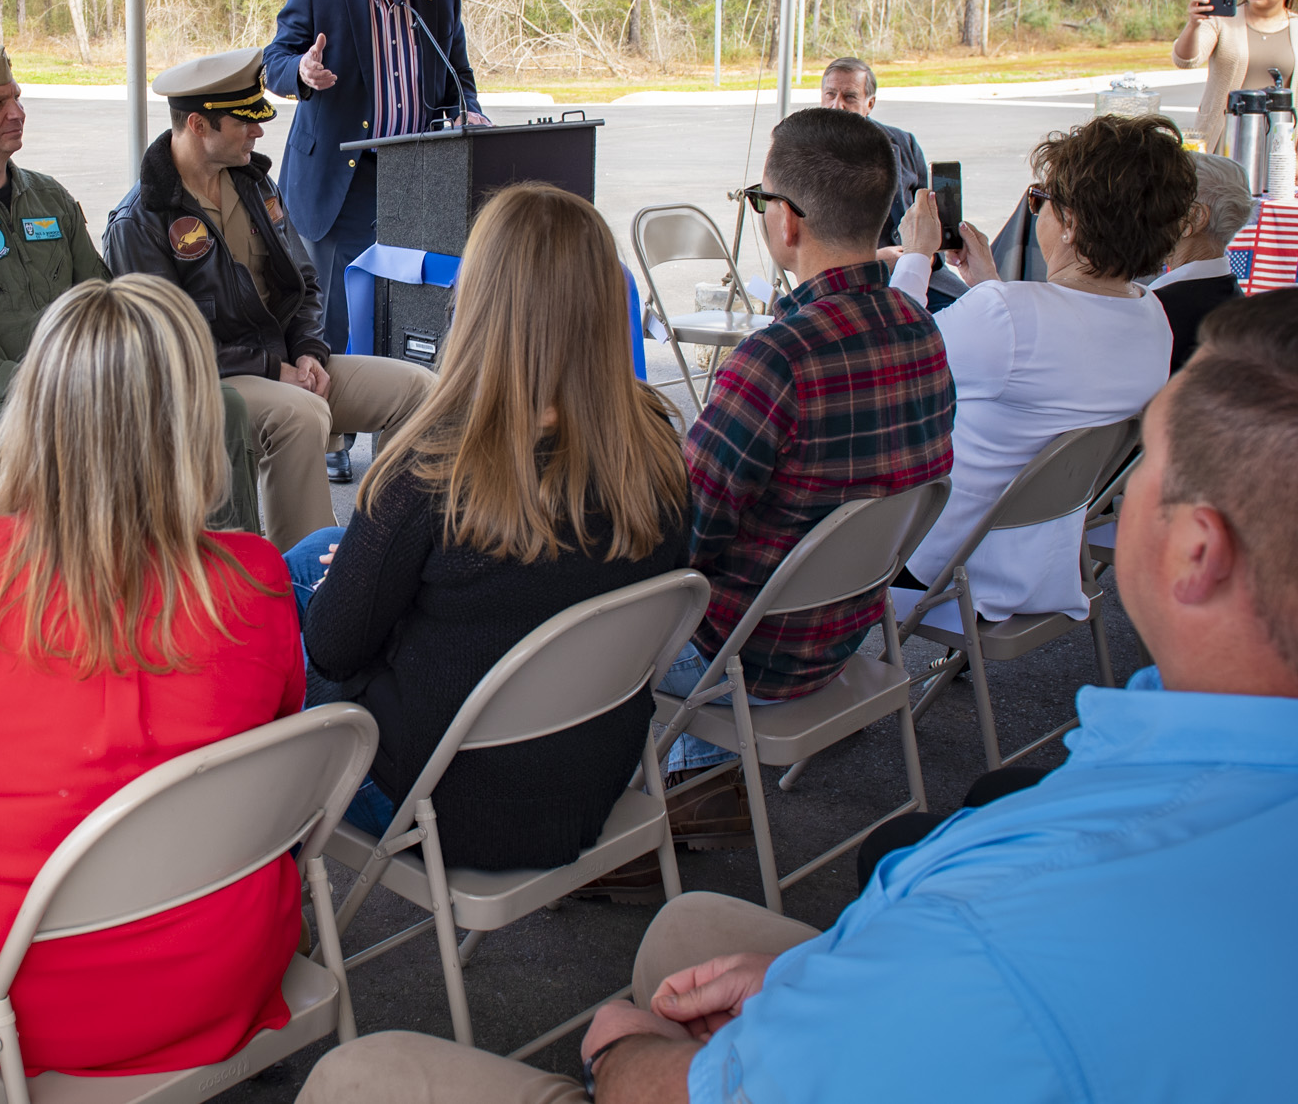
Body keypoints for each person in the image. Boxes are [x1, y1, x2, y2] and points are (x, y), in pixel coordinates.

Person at [290, 288, 1298, 1104]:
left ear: (1197, 551)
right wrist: (823, 972)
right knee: (692, 936)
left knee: (362, 1076)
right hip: (747, 708)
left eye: (1146, 466)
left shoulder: (1006, 927)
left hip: (604, 778)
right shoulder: (661, 442)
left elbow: (694, 1086)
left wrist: (624, 1056)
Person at [0, 275, 302, 1078]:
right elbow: (274, 761)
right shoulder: (257, 579)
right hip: (224, 970)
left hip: (15, 1009)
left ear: (35, 408)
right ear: (194, 419)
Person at [292, 184, 690, 884]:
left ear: (478, 302)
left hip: (442, 805)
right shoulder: (654, 446)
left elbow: (331, 649)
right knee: (300, 561)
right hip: (590, 777)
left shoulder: (432, 469)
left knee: (269, 634)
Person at [666, 108, 955, 828]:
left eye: (761, 201)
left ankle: (684, 783)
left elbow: (676, 541)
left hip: (742, 660)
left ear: (786, 221)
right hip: (849, 633)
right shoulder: (922, 328)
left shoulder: (778, 359)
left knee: (555, 601)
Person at [0, 35, 262, 532]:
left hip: (83, 386)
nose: (18, 112)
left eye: (16, 96)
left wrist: (130, 369)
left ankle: (232, 573)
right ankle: (133, 585)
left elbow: (104, 298)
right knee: (109, 429)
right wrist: (65, 390)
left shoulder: (47, 197)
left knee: (216, 405)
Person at [103, 50, 435, 547]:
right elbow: (163, 347)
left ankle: (387, 550)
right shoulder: (141, 221)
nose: (259, 132)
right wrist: (272, 369)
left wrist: (308, 352)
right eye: (245, 121)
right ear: (198, 124)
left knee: (420, 390)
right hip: (206, 383)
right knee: (301, 416)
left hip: (284, 365)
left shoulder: (255, 183)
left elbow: (303, 283)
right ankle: (306, 581)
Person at [889, 113, 1185, 621]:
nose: (1037, 213)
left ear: (1069, 224)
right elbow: (1046, 358)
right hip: (1043, 562)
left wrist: (916, 256)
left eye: (1039, 201)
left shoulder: (1007, 317)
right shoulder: (1152, 317)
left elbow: (886, 358)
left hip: (938, 568)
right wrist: (989, 285)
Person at [262, 0, 486, 481]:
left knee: (408, 310)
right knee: (331, 313)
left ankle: (404, 438)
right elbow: (276, 61)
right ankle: (331, 436)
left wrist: (468, 111)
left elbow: (458, 75)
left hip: (417, 182)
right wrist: (303, 76)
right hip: (342, 180)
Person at [1173, 0, 1297, 152]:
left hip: (1278, 148)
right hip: (1222, 145)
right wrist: (1193, 25)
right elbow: (1185, 60)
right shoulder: (1221, 21)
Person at [1154, 150, 1253, 370]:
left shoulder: (1160, 308)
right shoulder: (1232, 297)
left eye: (1160, 200)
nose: (1148, 212)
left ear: (1194, 217)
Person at [819, 55, 926, 251]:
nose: (837, 105)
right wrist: (875, 261)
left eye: (849, 97)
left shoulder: (904, 143)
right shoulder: (804, 152)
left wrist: (928, 258)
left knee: (984, 283)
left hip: (921, 263)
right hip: (855, 273)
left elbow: (932, 213)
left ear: (870, 104)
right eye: (830, 94)